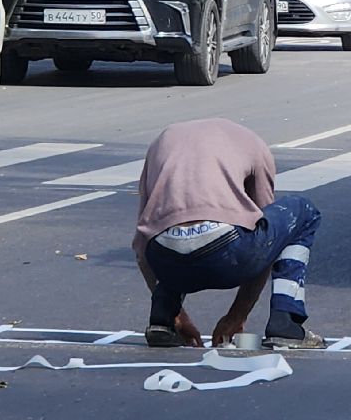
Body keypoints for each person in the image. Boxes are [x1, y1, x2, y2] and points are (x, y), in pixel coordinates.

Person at [133, 118, 324, 350]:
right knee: (303, 212)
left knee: (172, 223)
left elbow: (142, 243)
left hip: (166, 262)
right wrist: (237, 315)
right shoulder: (255, 145)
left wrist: (176, 316)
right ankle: (286, 322)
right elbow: (268, 241)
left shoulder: (160, 142)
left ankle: (162, 320)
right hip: (229, 256)